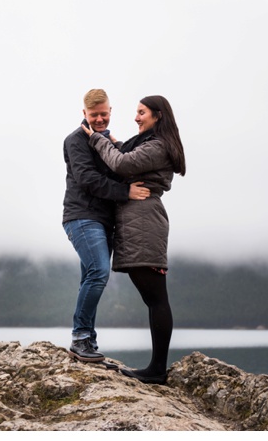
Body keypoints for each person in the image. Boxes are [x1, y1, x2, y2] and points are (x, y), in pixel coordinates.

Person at [81, 94, 186, 384]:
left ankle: (157, 369)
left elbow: (123, 164)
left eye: (142, 112)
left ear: (157, 116)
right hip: (140, 222)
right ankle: (157, 367)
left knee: (156, 299)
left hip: (145, 223)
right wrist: (110, 139)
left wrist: (98, 140)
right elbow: (126, 152)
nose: (136, 117)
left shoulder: (159, 145)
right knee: (154, 299)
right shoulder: (150, 143)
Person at [63, 89, 151, 363]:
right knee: (99, 272)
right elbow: (87, 179)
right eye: (93, 115)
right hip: (81, 216)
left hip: (104, 220)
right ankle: (80, 339)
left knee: (90, 277)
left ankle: (87, 339)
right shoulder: (75, 141)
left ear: (110, 111)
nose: (99, 119)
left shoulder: (109, 142)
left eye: (103, 114)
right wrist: (126, 192)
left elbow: (125, 163)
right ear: (84, 114)